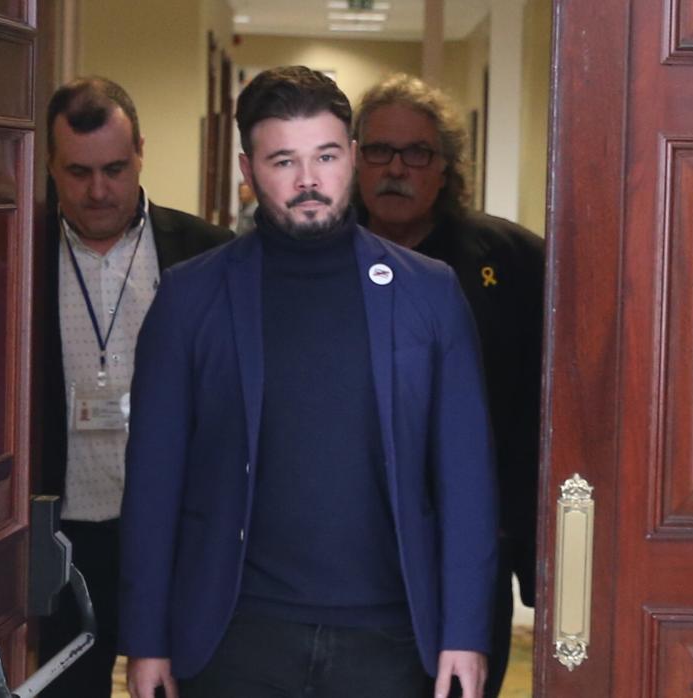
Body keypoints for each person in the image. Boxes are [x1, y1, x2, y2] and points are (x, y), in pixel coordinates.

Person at [119, 66, 499, 698]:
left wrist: (466, 629)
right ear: (247, 171)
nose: (308, 181)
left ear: (351, 157)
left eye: (325, 156)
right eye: (283, 161)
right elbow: (156, 481)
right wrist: (146, 639)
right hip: (236, 637)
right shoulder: (190, 297)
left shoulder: (429, 292)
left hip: (392, 641)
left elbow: (466, 478)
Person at [37, 76, 232, 698]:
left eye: (115, 169)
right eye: (79, 172)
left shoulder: (206, 254)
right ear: (50, 164)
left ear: (141, 152)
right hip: (60, 531)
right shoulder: (12, 250)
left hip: (174, 528)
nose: (99, 190)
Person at [353, 73, 545, 698]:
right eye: (379, 150)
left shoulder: (513, 261)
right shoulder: (311, 258)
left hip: (466, 544)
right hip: (346, 542)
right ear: (353, 158)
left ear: (446, 168)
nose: (396, 169)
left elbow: (539, 412)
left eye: (417, 153)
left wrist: (524, 544)